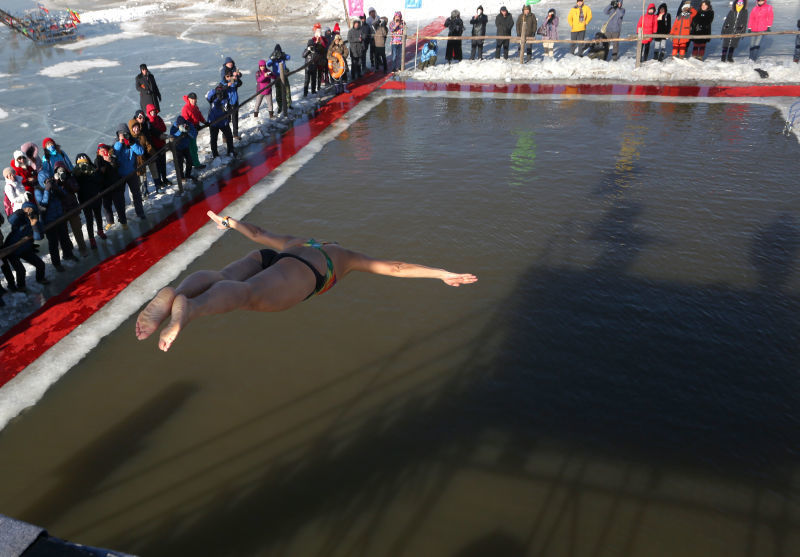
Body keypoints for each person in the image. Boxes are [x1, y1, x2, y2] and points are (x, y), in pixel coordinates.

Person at [136, 211, 478, 352]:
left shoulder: (301, 240)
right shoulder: (344, 258)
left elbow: (257, 233)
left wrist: (229, 222)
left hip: (279, 257)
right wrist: (442, 273)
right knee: (246, 294)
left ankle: (178, 293)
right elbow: (396, 268)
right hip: (304, 276)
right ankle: (189, 310)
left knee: (225, 276)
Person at [35, 163, 77, 271]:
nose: (47, 182)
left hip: (60, 216)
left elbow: (64, 195)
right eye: (45, 180)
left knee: (65, 238)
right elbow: (43, 204)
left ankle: (68, 254)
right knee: (53, 243)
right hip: (49, 221)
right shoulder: (38, 191)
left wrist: (55, 187)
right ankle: (56, 263)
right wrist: (47, 190)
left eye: (48, 179)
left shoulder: (54, 185)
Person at [3, 203, 48, 289]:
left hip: (24, 248)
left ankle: (40, 279)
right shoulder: (19, 219)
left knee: (40, 264)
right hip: (12, 250)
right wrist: (22, 211)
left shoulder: (34, 220)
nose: (29, 214)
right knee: (21, 270)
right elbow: (11, 220)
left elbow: (39, 237)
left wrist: (34, 223)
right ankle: (21, 287)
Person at [50, 162, 87, 256]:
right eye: (58, 170)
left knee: (77, 230)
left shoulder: (70, 178)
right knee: (64, 233)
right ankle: (69, 250)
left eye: (62, 170)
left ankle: (83, 249)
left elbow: (76, 188)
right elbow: (53, 195)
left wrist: (66, 181)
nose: (61, 172)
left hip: (73, 208)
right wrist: (56, 183)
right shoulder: (54, 181)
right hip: (62, 211)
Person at [72, 153, 107, 249]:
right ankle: (92, 239)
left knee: (98, 215)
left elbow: (100, 180)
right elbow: (74, 185)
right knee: (89, 219)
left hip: (95, 197)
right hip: (85, 200)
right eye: (81, 164)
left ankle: (100, 231)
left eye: (85, 163)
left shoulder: (93, 168)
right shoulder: (76, 172)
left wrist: (94, 172)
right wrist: (79, 173)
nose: (83, 166)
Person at [113, 123, 146, 220]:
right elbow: (115, 152)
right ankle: (122, 216)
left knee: (136, 194)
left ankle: (140, 213)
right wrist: (120, 141)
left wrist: (132, 143)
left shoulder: (133, 141)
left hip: (132, 172)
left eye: (126, 133)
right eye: (121, 133)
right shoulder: (116, 143)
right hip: (120, 175)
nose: (124, 135)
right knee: (120, 198)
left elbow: (140, 152)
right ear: (118, 134)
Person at [95, 143, 127, 231]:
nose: (103, 152)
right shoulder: (97, 161)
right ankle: (110, 221)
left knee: (119, 205)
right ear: (98, 152)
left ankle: (123, 221)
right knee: (107, 206)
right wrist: (101, 168)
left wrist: (110, 161)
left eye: (104, 150)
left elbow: (116, 167)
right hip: (105, 188)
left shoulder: (112, 158)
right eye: (101, 151)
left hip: (116, 186)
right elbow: (98, 173)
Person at [130, 111, 160, 196]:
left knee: (154, 170)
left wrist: (152, 153)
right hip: (140, 159)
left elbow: (148, 144)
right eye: (140, 118)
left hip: (148, 154)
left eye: (143, 117)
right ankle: (145, 191)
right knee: (143, 176)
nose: (142, 119)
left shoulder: (146, 126)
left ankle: (158, 186)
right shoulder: (132, 136)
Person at [206, 80, 236, 159]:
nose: (220, 95)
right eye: (219, 92)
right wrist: (215, 91)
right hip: (214, 121)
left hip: (223, 121)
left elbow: (228, 107)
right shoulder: (212, 97)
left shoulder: (226, 96)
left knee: (229, 136)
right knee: (213, 138)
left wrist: (228, 117)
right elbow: (207, 97)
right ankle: (215, 155)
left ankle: (231, 151)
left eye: (221, 92)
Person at [146, 104, 171, 186]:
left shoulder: (158, 118)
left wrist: (158, 131)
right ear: (148, 112)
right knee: (158, 165)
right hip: (155, 146)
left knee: (163, 163)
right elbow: (152, 133)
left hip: (161, 144)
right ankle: (159, 181)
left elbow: (164, 128)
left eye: (154, 111)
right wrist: (158, 131)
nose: (153, 112)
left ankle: (164, 179)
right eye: (151, 111)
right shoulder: (148, 122)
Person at [180, 93, 207, 169]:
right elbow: (186, 121)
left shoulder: (195, 107)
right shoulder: (186, 108)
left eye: (195, 99)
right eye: (192, 99)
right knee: (192, 148)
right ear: (189, 99)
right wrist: (192, 127)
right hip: (190, 131)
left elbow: (199, 115)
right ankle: (195, 164)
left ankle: (192, 163)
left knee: (193, 148)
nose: (194, 101)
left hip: (195, 130)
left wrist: (204, 122)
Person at [219, 57, 243, 136]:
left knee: (235, 118)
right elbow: (224, 83)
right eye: (229, 63)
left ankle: (235, 134)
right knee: (226, 119)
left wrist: (237, 76)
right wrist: (233, 78)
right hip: (226, 101)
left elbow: (239, 83)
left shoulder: (234, 69)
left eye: (231, 62)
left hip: (234, 99)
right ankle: (225, 136)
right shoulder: (223, 74)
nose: (230, 64)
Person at [169, 116, 196, 182]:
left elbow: (194, 135)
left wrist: (188, 131)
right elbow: (172, 138)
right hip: (177, 148)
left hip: (185, 146)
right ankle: (181, 177)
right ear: (178, 124)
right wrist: (179, 131)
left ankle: (188, 175)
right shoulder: (173, 128)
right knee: (179, 163)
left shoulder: (188, 124)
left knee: (190, 160)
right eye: (180, 125)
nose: (182, 126)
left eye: (183, 124)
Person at [268, 44, 292, 116]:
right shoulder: (273, 56)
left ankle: (289, 104)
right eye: (277, 51)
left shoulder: (282, 55)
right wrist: (273, 58)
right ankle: (280, 106)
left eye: (279, 51)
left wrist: (282, 56)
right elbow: (268, 64)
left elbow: (289, 57)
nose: (278, 52)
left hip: (284, 75)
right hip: (277, 77)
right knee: (278, 92)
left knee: (287, 90)